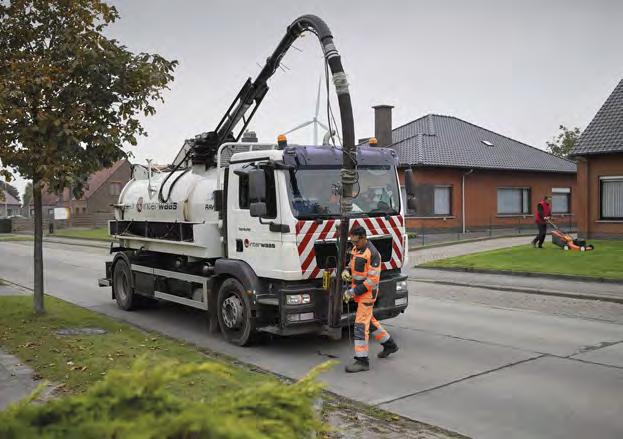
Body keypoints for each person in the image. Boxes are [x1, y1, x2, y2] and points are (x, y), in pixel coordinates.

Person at [342, 226, 398, 373]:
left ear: (363, 238)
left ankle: (362, 361)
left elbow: (372, 281)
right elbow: (351, 265)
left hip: (367, 295)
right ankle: (389, 345)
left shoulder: (373, 254)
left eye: (356, 242)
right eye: (352, 242)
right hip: (359, 294)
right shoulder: (356, 249)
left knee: (360, 326)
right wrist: (346, 271)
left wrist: (352, 292)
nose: (354, 245)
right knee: (369, 321)